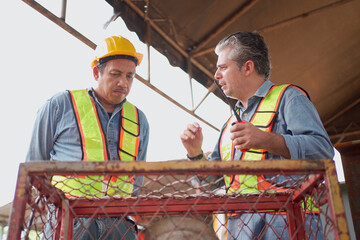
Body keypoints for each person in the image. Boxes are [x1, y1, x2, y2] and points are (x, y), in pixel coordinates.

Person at [180, 31, 334, 240]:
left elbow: (322, 150)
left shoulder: (289, 98)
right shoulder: (228, 126)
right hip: (241, 231)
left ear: (248, 67)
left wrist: (266, 140)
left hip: (290, 226)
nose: (216, 75)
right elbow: (211, 184)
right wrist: (195, 153)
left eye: (223, 67)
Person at [26, 35, 149, 240]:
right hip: (70, 220)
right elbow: (34, 166)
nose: (123, 82)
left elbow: (137, 181)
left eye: (130, 76)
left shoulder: (140, 120)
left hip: (120, 226)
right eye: (115, 74)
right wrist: (57, 202)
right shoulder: (60, 105)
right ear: (96, 72)